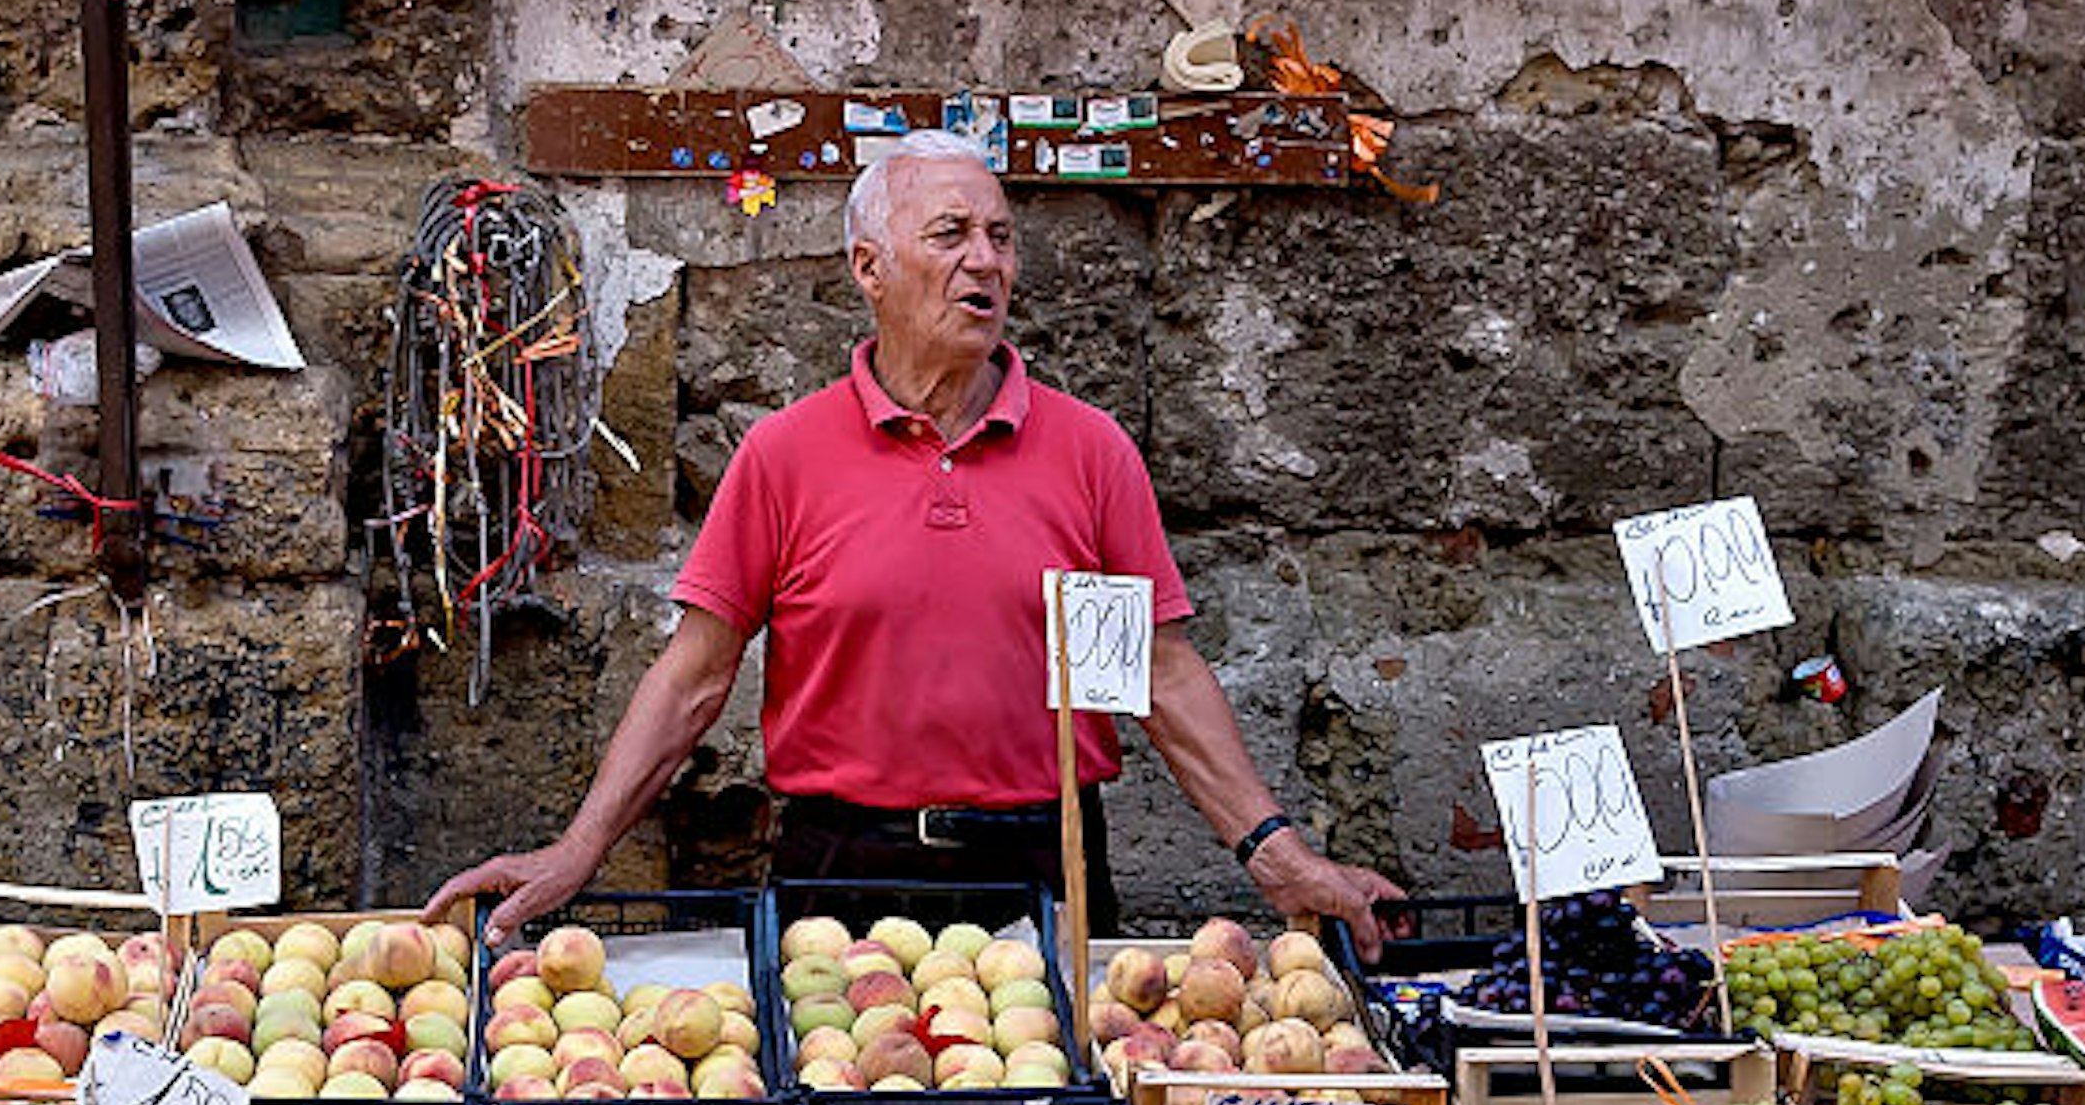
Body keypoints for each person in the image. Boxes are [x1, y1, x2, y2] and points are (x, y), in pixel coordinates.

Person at [423, 130, 1406, 953]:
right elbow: (692, 678)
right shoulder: (784, 456)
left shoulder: (1090, 452)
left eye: (1000, 238)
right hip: (841, 877)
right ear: (869, 269)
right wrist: (576, 852)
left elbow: (1160, 671)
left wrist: (1274, 851)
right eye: (951, 235)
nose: (986, 260)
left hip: (1042, 868)